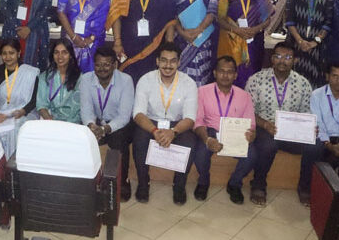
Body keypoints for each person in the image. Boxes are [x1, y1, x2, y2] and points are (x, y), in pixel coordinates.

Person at [245, 42, 313, 206]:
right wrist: (265, 124)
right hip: (264, 127)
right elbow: (248, 111)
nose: (282, 61)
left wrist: (309, 128)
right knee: (268, 145)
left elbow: (306, 113)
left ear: (295, 60)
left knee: (315, 146)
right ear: (272, 59)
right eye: (278, 56)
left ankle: (305, 187)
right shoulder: (256, 80)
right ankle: (258, 185)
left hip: (292, 132)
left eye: (288, 57)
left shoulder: (303, 83)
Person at [132, 43, 198, 205]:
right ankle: (143, 183)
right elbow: (138, 114)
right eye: (164, 60)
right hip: (151, 122)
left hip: (177, 124)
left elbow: (190, 118)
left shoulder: (189, 83)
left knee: (190, 142)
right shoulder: (146, 80)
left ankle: (179, 186)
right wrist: (154, 130)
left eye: (173, 61)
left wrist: (173, 132)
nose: (168, 65)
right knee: (139, 138)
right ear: (157, 61)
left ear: (179, 62)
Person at [193, 56, 255, 203]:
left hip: (236, 133)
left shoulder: (245, 96)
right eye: (221, 71)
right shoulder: (202, 92)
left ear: (235, 75)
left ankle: (234, 184)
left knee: (252, 154)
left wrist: (251, 134)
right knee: (201, 151)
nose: (225, 75)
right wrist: (207, 139)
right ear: (215, 73)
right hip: (211, 130)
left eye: (230, 72)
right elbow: (198, 121)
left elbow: (251, 124)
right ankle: (203, 182)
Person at [106, 0, 175, 84]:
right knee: (128, 81)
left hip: (154, 45)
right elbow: (116, 17)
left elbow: (170, 21)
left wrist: (169, 46)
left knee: (150, 82)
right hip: (128, 44)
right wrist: (117, 42)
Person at [79, 44, 135, 201]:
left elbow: (124, 116)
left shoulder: (126, 80)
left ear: (115, 65)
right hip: (96, 122)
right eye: (98, 65)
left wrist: (104, 129)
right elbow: (86, 110)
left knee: (119, 140)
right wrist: (91, 126)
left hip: (119, 124)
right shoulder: (86, 79)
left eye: (106, 64)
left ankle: (122, 182)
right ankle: (87, 181)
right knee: (83, 136)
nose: (102, 69)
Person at [217, 0, 273, 88]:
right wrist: (237, 30)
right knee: (231, 77)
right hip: (231, 43)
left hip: (254, 42)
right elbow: (220, 19)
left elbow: (267, 19)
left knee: (251, 79)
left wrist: (255, 30)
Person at [169, 0, 219, 86]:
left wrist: (197, 31)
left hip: (203, 38)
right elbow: (171, 12)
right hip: (180, 38)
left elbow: (212, 11)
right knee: (179, 78)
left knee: (201, 77)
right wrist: (182, 33)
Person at [307, 61, 339, 186]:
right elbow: (317, 123)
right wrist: (330, 146)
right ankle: (307, 188)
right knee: (317, 154)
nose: (338, 80)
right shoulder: (316, 95)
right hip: (323, 139)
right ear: (327, 76)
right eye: (334, 76)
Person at [57, 0, 110, 73]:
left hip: (94, 42)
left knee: (93, 75)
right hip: (70, 39)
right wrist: (73, 37)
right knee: (69, 74)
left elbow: (103, 16)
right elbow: (61, 12)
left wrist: (90, 38)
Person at [285, 0, 334, 88]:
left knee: (316, 81)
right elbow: (289, 21)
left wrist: (315, 42)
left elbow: (328, 22)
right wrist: (300, 41)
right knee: (295, 82)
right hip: (296, 45)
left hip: (318, 47)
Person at [0, 39, 40, 158]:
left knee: (18, 128)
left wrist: (22, 111)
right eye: (4, 53)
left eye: (11, 53)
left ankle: (13, 162)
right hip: (1, 112)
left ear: (19, 53)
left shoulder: (29, 73)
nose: (8, 57)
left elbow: (34, 100)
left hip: (24, 113)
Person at [36, 38, 82, 123]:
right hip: (52, 121)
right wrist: (50, 121)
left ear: (70, 55)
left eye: (64, 52)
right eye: (56, 52)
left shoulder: (80, 78)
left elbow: (81, 108)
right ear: (52, 55)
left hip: (74, 123)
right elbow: (41, 105)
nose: (60, 56)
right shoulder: (45, 77)